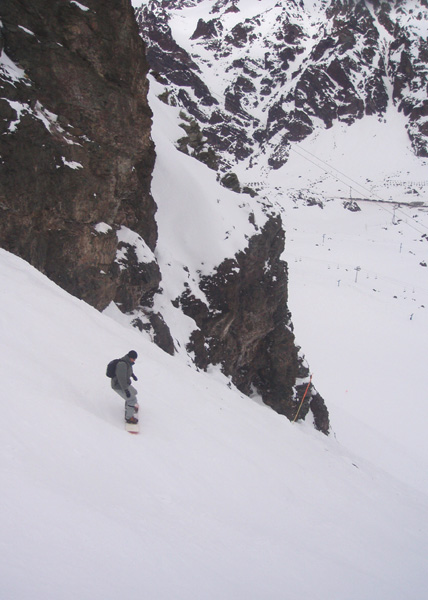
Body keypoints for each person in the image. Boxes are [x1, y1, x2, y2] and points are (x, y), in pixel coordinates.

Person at [111, 350, 139, 424]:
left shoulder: (128, 362)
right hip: (118, 385)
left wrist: (133, 376)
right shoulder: (122, 364)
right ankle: (129, 417)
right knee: (132, 399)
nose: (134, 360)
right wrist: (126, 390)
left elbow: (129, 370)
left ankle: (129, 406)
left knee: (134, 392)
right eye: (134, 358)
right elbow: (121, 379)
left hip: (124, 384)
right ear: (130, 357)